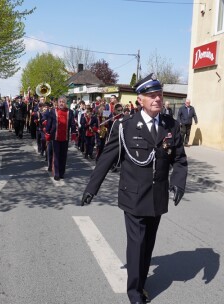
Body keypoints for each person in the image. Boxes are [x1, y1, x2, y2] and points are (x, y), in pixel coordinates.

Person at [81, 73, 188, 304]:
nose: (157, 99)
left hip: (157, 196)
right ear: (140, 100)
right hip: (134, 196)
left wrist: (179, 183)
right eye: (151, 96)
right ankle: (135, 292)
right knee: (137, 243)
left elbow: (179, 160)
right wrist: (92, 188)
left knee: (148, 243)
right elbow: (106, 158)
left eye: (159, 94)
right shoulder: (125, 126)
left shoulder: (171, 125)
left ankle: (140, 281)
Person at [45, 96, 76, 180]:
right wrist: (47, 134)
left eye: (63, 102)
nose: (61, 103)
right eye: (60, 102)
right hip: (55, 137)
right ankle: (57, 173)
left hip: (65, 137)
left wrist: (73, 134)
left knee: (63, 156)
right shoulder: (53, 111)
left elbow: (73, 124)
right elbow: (49, 123)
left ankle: (62, 172)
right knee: (57, 155)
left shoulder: (70, 112)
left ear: (66, 103)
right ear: (58, 103)